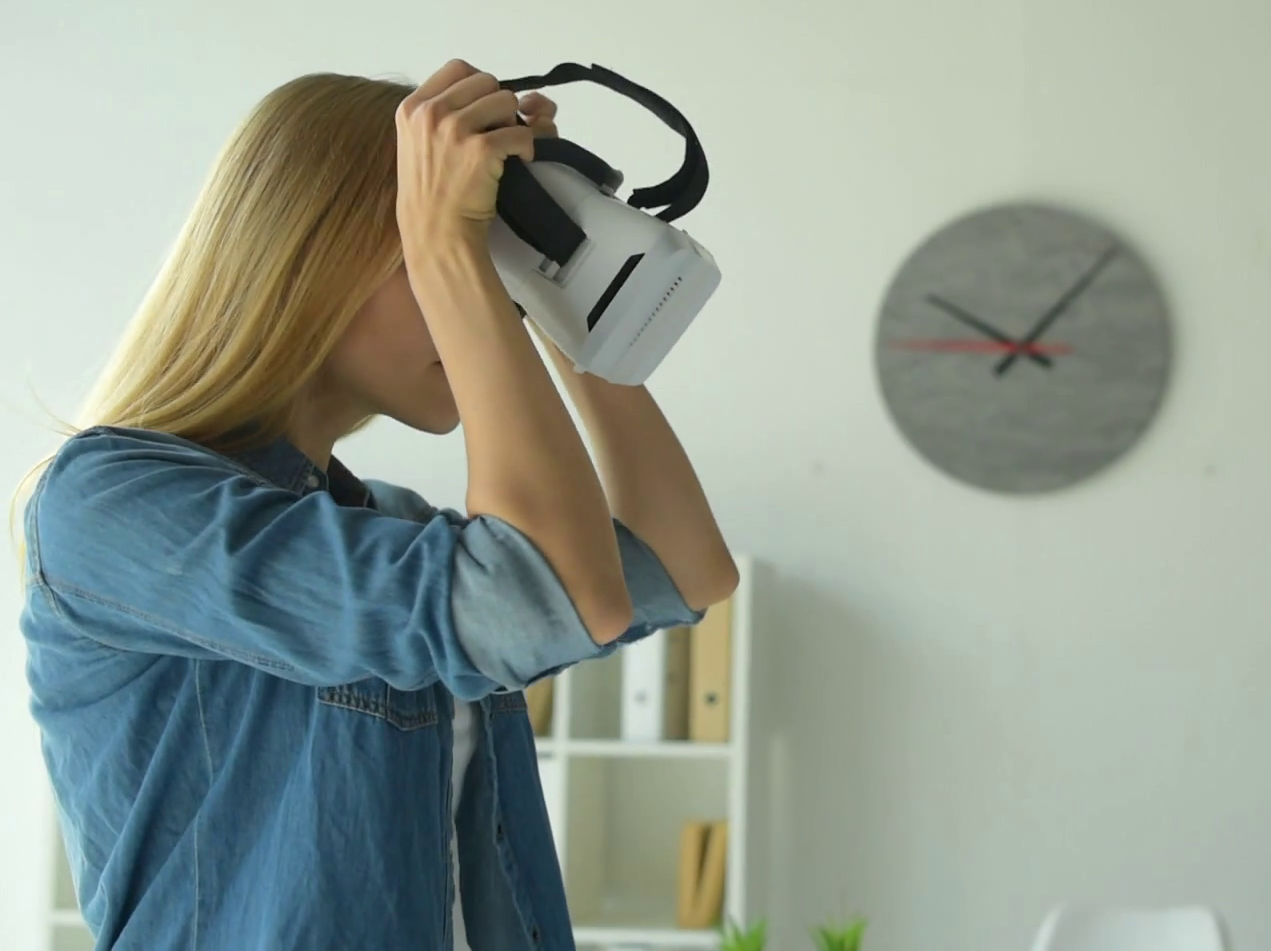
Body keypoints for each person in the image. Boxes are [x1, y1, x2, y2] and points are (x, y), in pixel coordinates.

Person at [13, 58, 738, 950]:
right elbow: (546, 594)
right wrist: (451, 248)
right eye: (438, 257)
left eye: (493, 272)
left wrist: (552, 264)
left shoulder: (388, 529)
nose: (490, 305)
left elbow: (684, 566)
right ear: (314, 257)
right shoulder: (108, 506)